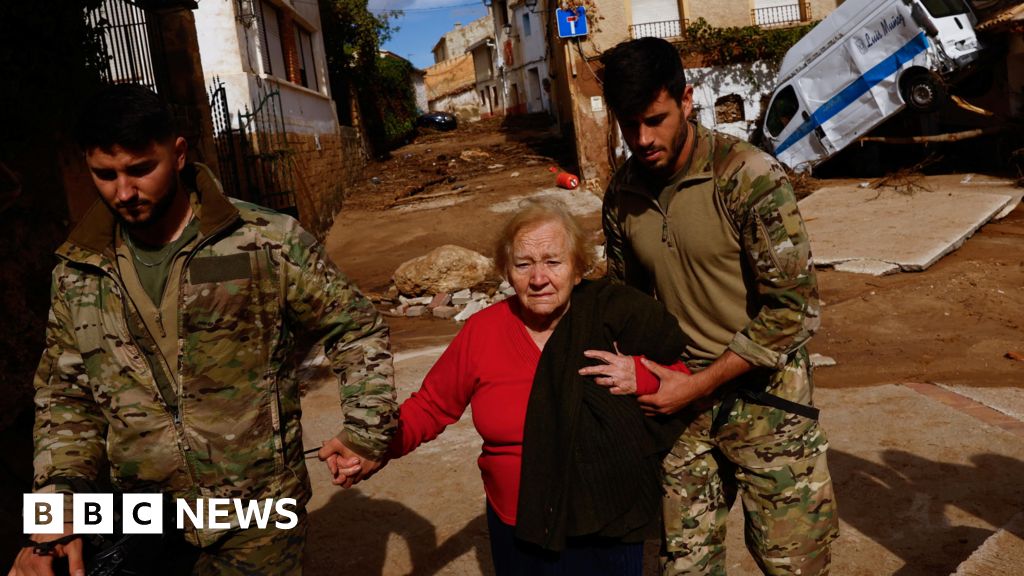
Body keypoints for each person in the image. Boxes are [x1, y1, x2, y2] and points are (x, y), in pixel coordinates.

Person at [12, 83, 397, 576]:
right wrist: (53, 511)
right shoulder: (76, 269)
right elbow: (64, 396)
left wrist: (368, 430)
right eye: (104, 175)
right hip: (144, 517)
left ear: (177, 154)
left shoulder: (264, 241)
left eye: (139, 169)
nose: (124, 192)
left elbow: (355, 328)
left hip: (260, 510)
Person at [324, 198, 690, 576]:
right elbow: (432, 406)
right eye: (523, 264)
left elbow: (679, 375)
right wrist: (369, 445)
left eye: (553, 261)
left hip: (606, 518)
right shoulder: (484, 332)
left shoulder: (615, 316)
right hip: (518, 524)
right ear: (506, 272)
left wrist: (640, 376)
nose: (538, 278)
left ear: (578, 268)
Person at [591, 37, 839, 575]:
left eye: (654, 119)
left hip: (767, 408)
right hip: (680, 413)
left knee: (793, 563)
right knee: (685, 566)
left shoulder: (747, 177)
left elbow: (795, 309)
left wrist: (700, 383)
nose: (642, 138)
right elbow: (626, 302)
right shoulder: (623, 194)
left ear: (687, 100)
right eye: (628, 124)